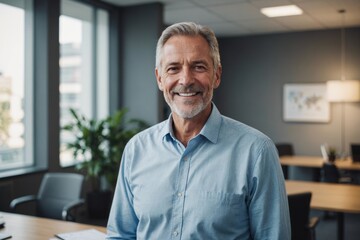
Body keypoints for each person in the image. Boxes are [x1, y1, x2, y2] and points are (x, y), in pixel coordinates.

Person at [106, 22, 291, 239]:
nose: (186, 80)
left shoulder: (257, 151)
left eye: (199, 67)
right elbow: (120, 235)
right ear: (159, 78)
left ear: (216, 75)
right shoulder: (136, 150)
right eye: (173, 68)